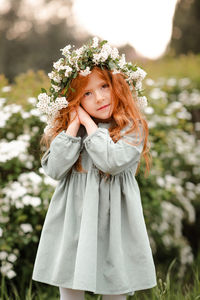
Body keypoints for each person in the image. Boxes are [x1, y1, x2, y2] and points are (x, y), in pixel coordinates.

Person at [32, 37, 157, 300]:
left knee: (114, 287)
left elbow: (110, 161)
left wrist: (90, 126)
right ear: (74, 100)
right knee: (70, 283)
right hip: (74, 221)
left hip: (114, 224)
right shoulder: (71, 133)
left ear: (116, 86)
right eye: (87, 93)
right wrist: (72, 126)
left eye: (103, 86)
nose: (99, 97)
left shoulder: (131, 128)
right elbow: (54, 169)